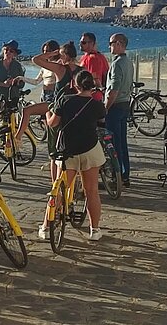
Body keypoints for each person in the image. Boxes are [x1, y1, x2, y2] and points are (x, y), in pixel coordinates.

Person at [39, 70, 106, 241]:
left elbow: (53, 124)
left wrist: (47, 114)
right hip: (90, 149)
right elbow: (101, 121)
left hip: (68, 151)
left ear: (74, 85)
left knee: (58, 191)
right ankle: (95, 230)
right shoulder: (96, 104)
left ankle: (46, 227)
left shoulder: (65, 100)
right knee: (92, 191)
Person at [16, 41, 82, 181]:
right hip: (75, 109)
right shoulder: (81, 70)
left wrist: (52, 54)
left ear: (64, 55)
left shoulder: (60, 68)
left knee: (54, 153)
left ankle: (17, 138)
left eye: (60, 54)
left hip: (57, 107)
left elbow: (35, 59)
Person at [105, 33, 134, 188]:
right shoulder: (128, 62)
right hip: (125, 104)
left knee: (114, 144)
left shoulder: (117, 64)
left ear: (119, 44)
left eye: (111, 43)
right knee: (122, 143)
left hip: (115, 107)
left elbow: (113, 89)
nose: (109, 46)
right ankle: (125, 175)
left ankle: (118, 177)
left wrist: (105, 108)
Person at [0, 39, 25, 104]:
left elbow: (22, 84)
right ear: (3, 50)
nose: (8, 52)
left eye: (11, 51)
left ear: (14, 54)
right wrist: (4, 84)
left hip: (14, 98)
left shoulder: (18, 66)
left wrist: (15, 82)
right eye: (6, 49)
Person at [79, 32, 109, 102]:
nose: (80, 44)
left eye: (83, 42)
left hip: (91, 97)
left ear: (91, 43)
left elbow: (95, 79)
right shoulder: (91, 56)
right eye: (80, 42)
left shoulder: (93, 58)